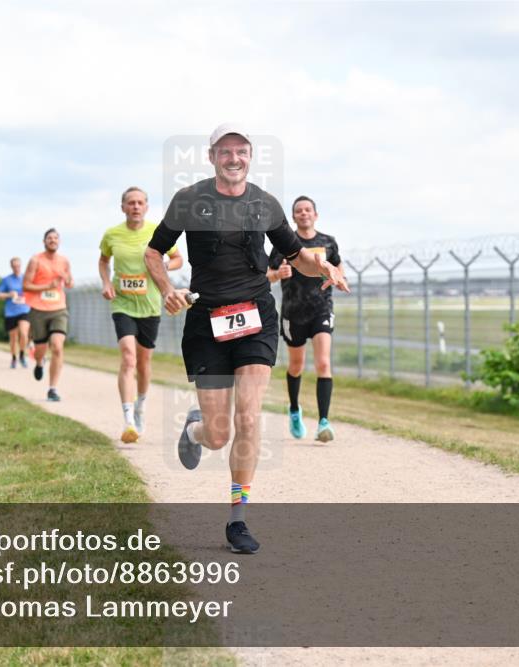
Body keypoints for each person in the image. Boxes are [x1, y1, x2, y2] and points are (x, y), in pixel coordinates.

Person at [145, 124, 349, 554]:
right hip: (206, 321)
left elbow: (297, 257)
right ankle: (195, 429)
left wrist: (323, 266)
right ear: (212, 156)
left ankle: (238, 518)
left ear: (250, 156)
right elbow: (153, 252)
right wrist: (168, 290)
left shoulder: (265, 204)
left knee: (250, 416)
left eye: (241, 151)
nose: (233, 158)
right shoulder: (189, 201)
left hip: (256, 318)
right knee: (218, 434)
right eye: (225, 151)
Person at [99, 186, 183, 443]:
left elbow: (178, 258)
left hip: (149, 305)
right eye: (130, 203)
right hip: (122, 304)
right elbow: (104, 261)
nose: (135, 207)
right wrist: (106, 282)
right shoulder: (112, 234)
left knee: (144, 363)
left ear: (146, 207)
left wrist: (166, 265)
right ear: (122, 207)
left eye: (140, 203)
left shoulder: (156, 232)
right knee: (128, 358)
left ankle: (140, 406)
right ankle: (128, 420)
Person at [268, 196, 342, 442]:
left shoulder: (328, 242)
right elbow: (266, 274)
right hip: (293, 311)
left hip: (321, 308)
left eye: (307, 209)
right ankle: (294, 410)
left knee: (323, 363)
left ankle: (323, 422)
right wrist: (278, 273)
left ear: (315, 215)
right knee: (296, 366)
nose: (303, 213)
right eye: (298, 211)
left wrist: (337, 278)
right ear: (293, 217)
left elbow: (339, 269)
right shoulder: (284, 242)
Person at [24, 229, 73, 401]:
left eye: (55, 238)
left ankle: (53, 389)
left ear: (59, 241)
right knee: (40, 349)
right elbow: (26, 285)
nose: (53, 240)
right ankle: (39, 362)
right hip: (38, 310)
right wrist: (47, 286)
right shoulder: (36, 260)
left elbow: (70, 283)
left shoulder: (64, 261)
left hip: (59, 309)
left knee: (57, 346)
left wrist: (66, 278)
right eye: (49, 238)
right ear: (44, 241)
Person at [0, 257, 32, 369]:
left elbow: (33, 291)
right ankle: (13, 358)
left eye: (18, 266)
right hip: (11, 312)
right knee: (13, 338)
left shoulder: (26, 278)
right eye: (14, 266)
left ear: (21, 266)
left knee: (24, 333)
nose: (16, 268)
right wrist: (8, 295)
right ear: (11, 267)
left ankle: (22, 355)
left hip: (24, 310)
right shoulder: (6, 280)